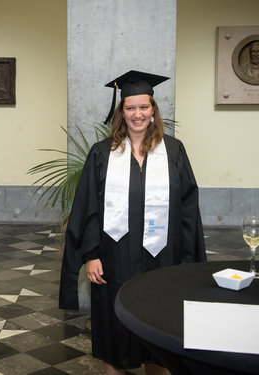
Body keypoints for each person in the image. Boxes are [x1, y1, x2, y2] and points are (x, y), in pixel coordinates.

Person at [59, 70, 206, 375]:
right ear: (121, 111)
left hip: (163, 261)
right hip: (114, 262)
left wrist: (188, 263)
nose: (137, 114)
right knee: (114, 337)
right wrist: (92, 254)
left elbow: (188, 211)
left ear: (153, 110)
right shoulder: (102, 153)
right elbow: (87, 208)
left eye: (143, 107)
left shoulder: (174, 151)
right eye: (130, 108)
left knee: (159, 338)